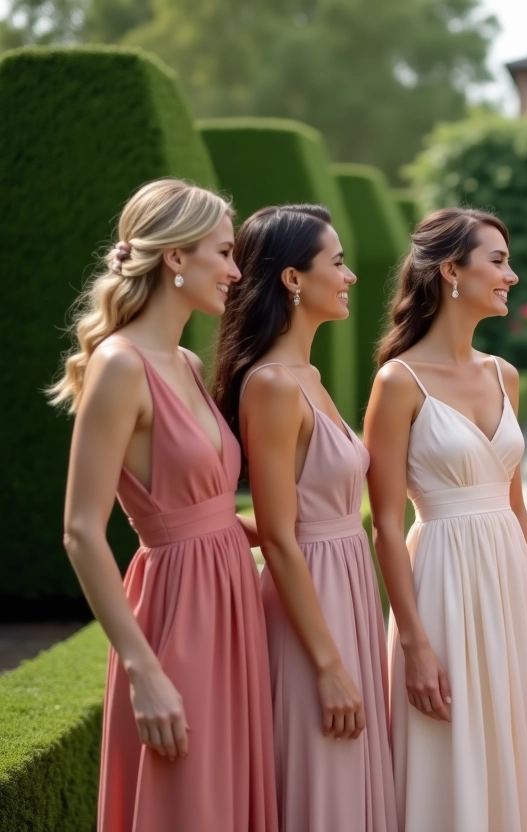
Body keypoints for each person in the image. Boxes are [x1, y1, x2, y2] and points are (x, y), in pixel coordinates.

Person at [51, 178, 276, 832]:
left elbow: (197, 505)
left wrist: (292, 533)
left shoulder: (182, 360)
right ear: (175, 258)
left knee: (229, 798)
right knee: (192, 806)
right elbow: (81, 530)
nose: (236, 272)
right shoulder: (121, 366)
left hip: (231, 601)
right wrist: (143, 670)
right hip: (177, 618)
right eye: (225, 253)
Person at [364, 207, 527, 832]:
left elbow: (516, 505)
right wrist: (413, 641)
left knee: (512, 743)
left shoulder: (502, 374)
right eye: (498, 261)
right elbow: (386, 525)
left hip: (507, 581)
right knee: (447, 749)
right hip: (442, 584)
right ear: (451, 270)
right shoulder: (398, 382)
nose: (511, 275)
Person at [210, 205, 397, 831]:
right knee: (324, 785)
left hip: (348, 589)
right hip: (310, 602)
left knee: (356, 778)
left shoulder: (309, 376)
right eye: (337, 263)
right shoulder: (271, 385)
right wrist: (327, 663)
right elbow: (280, 537)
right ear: (293, 278)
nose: (349, 277)